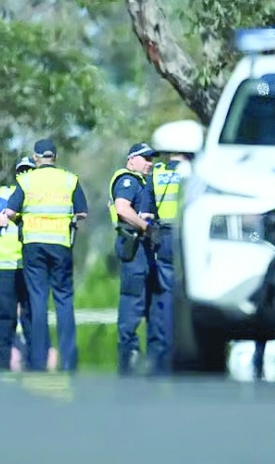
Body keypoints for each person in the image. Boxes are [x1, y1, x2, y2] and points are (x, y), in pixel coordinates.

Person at [2, 139, 88, 372]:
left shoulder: (26, 180)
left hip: (33, 246)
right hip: (60, 244)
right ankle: (68, 360)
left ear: (36, 158)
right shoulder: (69, 179)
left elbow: (10, 212)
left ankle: (39, 360)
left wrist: (23, 218)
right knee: (64, 300)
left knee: (38, 301)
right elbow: (82, 212)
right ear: (55, 157)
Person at [109, 142, 162, 376]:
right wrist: (146, 227)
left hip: (143, 250)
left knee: (146, 302)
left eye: (151, 159)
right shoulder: (127, 181)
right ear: (131, 160)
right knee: (132, 302)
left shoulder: (141, 182)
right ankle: (128, 356)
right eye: (145, 159)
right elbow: (122, 208)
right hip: (133, 246)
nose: (150, 163)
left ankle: (144, 357)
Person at [0, 156, 35, 372]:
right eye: (22, 171)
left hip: (30, 266)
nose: (25, 175)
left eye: (29, 171)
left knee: (31, 314)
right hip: (3, 266)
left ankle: (34, 361)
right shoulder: (2, 196)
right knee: (6, 315)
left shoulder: (39, 197)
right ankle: (2, 363)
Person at [147, 146, 193, 375]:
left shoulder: (156, 172)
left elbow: (146, 209)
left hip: (162, 236)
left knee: (164, 295)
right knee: (187, 293)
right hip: (186, 236)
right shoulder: (194, 170)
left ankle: (163, 353)